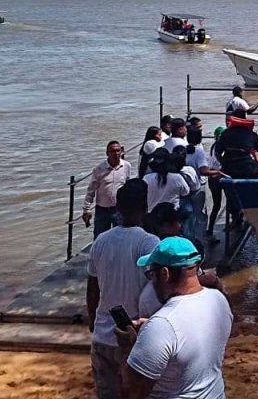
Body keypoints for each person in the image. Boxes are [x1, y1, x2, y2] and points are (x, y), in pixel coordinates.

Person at [115, 237, 233, 399]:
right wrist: (151, 330)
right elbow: (190, 331)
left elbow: (131, 394)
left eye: (151, 273)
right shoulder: (219, 300)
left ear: (164, 273)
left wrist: (126, 348)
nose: (152, 281)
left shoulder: (162, 325)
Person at [87, 181, 159, 399]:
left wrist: (93, 321)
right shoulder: (149, 243)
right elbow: (159, 288)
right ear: (145, 208)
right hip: (133, 337)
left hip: (101, 335)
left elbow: (92, 288)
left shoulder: (100, 241)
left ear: (117, 208)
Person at [82, 140, 134, 237]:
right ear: (107, 153)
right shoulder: (99, 169)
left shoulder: (127, 166)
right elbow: (91, 190)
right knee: (99, 237)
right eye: (113, 151)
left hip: (119, 209)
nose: (116, 153)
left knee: (120, 238)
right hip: (102, 210)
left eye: (118, 151)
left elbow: (127, 186)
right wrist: (86, 209)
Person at [143, 149, 191, 213]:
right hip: (171, 214)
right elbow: (186, 192)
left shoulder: (146, 178)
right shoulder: (177, 177)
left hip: (152, 214)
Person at [206, 125, 227, 240]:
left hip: (213, 176)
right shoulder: (222, 148)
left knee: (216, 204)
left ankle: (210, 228)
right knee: (221, 203)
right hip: (219, 175)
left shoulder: (214, 146)